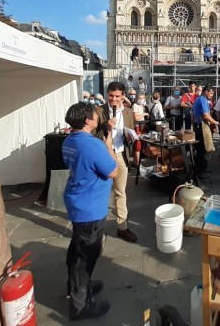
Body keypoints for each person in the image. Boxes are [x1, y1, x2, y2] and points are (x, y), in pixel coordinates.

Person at [62, 102, 119, 320]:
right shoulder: (93, 145)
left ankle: (76, 287)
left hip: (77, 200)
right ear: (88, 120)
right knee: (86, 255)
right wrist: (109, 146)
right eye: (95, 115)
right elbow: (113, 171)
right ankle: (79, 305)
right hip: (90, 207)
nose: (98, 117)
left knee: (77, 247)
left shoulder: (70, 140)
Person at [95, 82, 138, 243]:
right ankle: (96, 230)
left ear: (123, 96)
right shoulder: (98, 111)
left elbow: (131, 130)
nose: (113, 99)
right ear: (107, 94)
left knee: (121, 192)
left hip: (120, 155)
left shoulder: (127, 112)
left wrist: (129, 138)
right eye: (111, 95)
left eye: (117, 96)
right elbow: (92, 134)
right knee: (100, 193)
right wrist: (105, 126)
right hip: (102, 155)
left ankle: (122, 227)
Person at [192, 86, 220, 179]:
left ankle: (200, 169)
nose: (212, 95)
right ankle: (201, 171)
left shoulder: (197, 99)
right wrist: (215, 122)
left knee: (200, 148)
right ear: (206, 92)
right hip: (202, 126)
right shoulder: (203, 100)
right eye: (211, 93)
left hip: (197, 125)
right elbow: (205, 115)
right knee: (205, 149)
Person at [131, 93, 149, 166]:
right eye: (140, 98)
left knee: (142, 143)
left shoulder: (143, 106)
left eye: (143, 98)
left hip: (142, 125)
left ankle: (139, 161)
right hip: (137, 126)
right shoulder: (135, 105)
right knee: (137, 144)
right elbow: (135, 117)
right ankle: (137, 162)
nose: (141, 100)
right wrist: (144, 114)